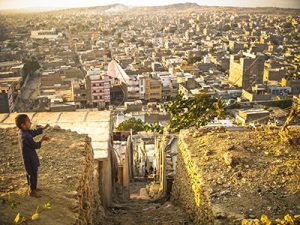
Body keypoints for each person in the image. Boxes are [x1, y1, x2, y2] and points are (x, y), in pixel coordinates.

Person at [15, 114, 50, 198]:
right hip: (29, 158)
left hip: (28, 156)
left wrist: (43, 128)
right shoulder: (25, 136)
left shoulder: (23, 132)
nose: (30, 123)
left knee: (30, 173)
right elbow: (35, 145)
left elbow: (33, 132)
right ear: (23, 125)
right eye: (28, 122)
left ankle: (33, 187)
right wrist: (42, 140)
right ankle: (32, 191)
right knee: (32, 174)